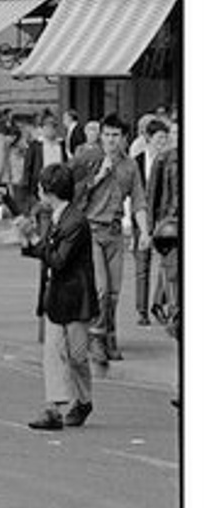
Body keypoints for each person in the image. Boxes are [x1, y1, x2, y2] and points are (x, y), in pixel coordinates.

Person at [18, 162, 98, 430]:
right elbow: (46, 252)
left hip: (76, 299)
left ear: (49, 191)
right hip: (56, 297)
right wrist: (27, 240)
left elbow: (59, 259)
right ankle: (53, 409)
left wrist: (34, 241)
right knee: (53, 353)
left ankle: (84, 401)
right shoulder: (57, 217)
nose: (39, 192)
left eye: (41, 188)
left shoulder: (75, 221)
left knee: (77, 357)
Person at [70, 114, 148, 364]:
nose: (111, 140)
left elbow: (138, 201)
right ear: (100, 136)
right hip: (90, 231)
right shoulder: (87, 159)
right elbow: (69, 190)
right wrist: (98, 177)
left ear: (125, 138)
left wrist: (145, 232)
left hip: (115, 233)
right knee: (101, 289)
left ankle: (109, 335)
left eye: (116, 135)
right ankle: (96, 337)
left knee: (114, 292)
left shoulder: (130, 166)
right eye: (107, 135)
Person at [129, 116, 169, 326]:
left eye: (165, 138)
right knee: (142, 266)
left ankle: (159, 303)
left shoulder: (171, 161)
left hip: (165, 222)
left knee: (166, 265)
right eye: (159, 138)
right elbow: (131, 194)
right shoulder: (137, 161)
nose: (163, 143)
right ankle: (141, 310)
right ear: (148, 138)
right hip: (142, 219)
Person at [146, 121, 179, 326]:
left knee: (171, 267)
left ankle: (159, 302)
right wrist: (149, 228)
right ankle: (175, 312)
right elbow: (152, 196)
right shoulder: (163, 159)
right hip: (169, 222)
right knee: (172, 268)